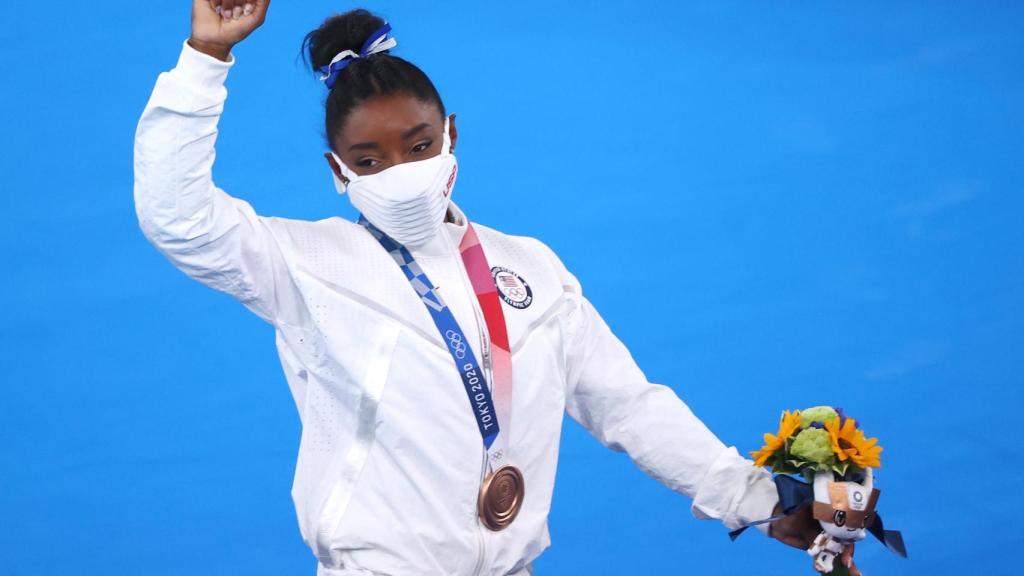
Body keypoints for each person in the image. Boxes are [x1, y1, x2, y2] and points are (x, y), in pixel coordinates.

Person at [134, 1, 859, 574]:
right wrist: (207, 57)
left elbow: (628, 407)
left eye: (418, 145)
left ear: (450, 133)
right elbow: (177, 217)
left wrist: (759, 498)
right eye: (370, 158)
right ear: (338, 172)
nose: (402, 171)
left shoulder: (532, 270)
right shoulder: (304, 265)